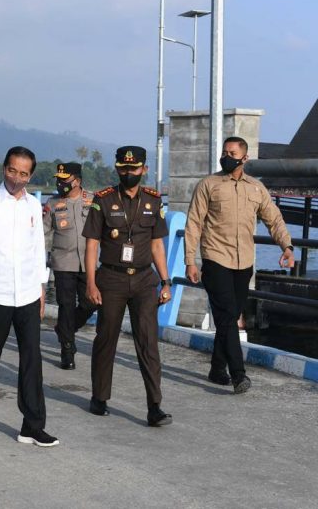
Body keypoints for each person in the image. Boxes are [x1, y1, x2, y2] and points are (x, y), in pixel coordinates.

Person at [0, 146, 59, 447]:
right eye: (12, 170)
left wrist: (42, 288)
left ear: (31, 175)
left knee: (32, 358)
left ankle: (32, 425)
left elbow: (38, 250)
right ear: (4, 168)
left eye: (24, 173)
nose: (17, 178)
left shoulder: (33, 204)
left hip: (28, 295)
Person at [184, 136, 293, 394]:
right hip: (215, 258)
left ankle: (216, 368)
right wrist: (191, 261)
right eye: (225, 151)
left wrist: (286, 247)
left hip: (244, 261)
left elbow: (274, 219)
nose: (226, 156)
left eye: (232, 152)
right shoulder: (208, 185)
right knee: (227, 316)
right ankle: (238, 374)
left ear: (244, 158)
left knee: (229, 316)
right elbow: (193, 225)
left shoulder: (256, 188)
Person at [83, 146, 173, 427]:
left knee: (148, 342)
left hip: (145, 280)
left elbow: (157, 244)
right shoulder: (103, 200)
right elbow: (92, 243)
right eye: (123, 168)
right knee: (106, 337)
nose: (128, 173)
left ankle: (154, 406)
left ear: (144, 169)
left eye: (133, 169)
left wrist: (166, 281)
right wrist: (91, 282)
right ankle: (99, 397)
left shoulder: (154, 201)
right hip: (111, 278)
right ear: (117, 169)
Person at [43, 162, 97, 370]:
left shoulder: (93, 200)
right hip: (63, 262)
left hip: (90, 263)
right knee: (65, 305)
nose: (60, 184)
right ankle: (67, 349)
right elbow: (45, 233)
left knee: (90, 303)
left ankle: (65, 330)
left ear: (78, 181)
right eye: (58, 180)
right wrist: (42, 260)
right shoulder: (53, 203)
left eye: (65, 180)